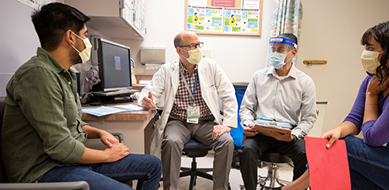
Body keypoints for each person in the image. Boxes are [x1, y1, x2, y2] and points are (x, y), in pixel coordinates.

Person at [1, 3, 162, 190]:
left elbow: (71, 123)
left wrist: (100, 132)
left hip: (68, 161)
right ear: (70, 37)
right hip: (44, 171)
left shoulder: (65, 74)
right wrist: (107, 156)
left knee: (152, 165)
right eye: (85, 36)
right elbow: (61, 147)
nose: (87, 43)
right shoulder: (37, 75)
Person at [283, 20, 389, 190]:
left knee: (345, 146)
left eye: (370, 48)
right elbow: (354, 120)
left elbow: (373, 138)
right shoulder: (373, 79)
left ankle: (292, 189)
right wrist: (338, 131)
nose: (365, 53)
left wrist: (371, 95)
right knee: (342, 167)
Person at [138, 31, 237, 190]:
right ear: (179, 51)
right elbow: (147, 92)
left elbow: (229, 94)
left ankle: (221, 188)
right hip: (178, 122)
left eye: (199, 44)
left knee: (226, 142)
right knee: (171, 142)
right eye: (192, 46)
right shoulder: (166, 70)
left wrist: (228, 125)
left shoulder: (210, 66)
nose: (198, 49)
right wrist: (145, 100)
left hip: (206, 122)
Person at [239, 33, 317, 190]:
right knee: (246, 150)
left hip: (288, 134)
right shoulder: (259, 76)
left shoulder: (305, 82)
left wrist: (293, 135)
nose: (275, 53)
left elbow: (309, 118)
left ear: (293, 53)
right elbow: (246, 108)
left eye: (280, 49)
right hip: (260, 132)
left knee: (305, 154)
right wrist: (247, 124)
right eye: (273, 49)